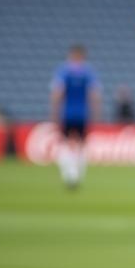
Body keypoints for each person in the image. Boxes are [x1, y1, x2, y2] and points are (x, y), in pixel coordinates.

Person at [49, 44, 101, 189]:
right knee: (81, 144)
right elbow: (94, 94)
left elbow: (57, 93)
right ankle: (78, 173)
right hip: (83, 114)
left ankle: (70, 173)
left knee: (66, 143)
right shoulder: (88, 72)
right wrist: (96, 113)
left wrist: (54, 112)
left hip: (67, 113)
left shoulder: (64, 71)